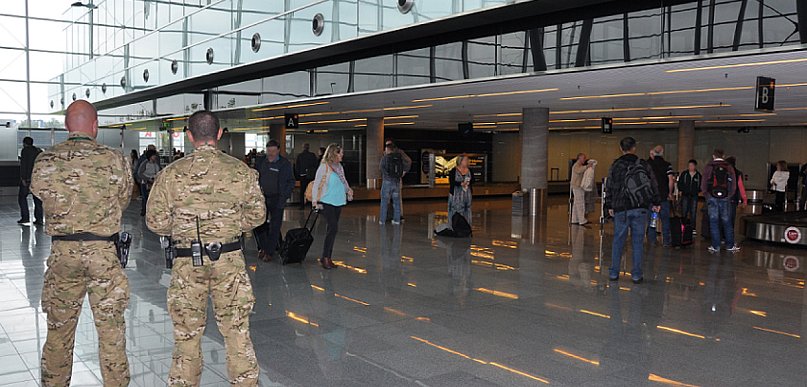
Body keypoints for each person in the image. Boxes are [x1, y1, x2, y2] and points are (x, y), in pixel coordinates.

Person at [146, 110, 265, 386]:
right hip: (229, 260)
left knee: (187, 335)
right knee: (236, 332)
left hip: (188, 262)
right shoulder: (240, 171)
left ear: (189, 136)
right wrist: (232, 227)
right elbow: (258, 215)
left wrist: (182, 231)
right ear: (219, 134)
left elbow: (155, 221)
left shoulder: (171, 174)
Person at [30, 100, 133, 387]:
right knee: (111, 331)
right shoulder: (116, 158)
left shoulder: (46, 160)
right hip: (103, 252)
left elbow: (40, 194)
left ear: (66, 126)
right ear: (95, 126)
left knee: (59, 331)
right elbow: (124, 199)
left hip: (63, 254)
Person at [605, 137, 661, 284]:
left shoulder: (616, 165)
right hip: (640, 207)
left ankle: (614, 272)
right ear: (634, 148)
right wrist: (656, 202)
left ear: (621, 148)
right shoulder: (642, 163)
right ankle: (636, 274)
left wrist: (609, 205)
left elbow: (609, 186)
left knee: (618, 240)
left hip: (621, 209)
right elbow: (653, 183)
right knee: (637, 242)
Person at [311, 143, 353, 270]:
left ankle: (327, 256)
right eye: (340, 153)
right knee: (333, 228)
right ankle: (325, 257)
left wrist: (348, 190)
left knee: (332, 229)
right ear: (334, 153)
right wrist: (314, 201)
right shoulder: (324, 167)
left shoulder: (339, 167)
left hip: (338, 201)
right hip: (326, 201)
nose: (342, 155)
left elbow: (343, 180)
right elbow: (317, 184)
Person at [255, 140, 295, 262]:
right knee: (259, 224)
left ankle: (269, 251)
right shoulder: (262, 162)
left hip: (278, 198)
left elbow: (291, 181)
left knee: (275, 226)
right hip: (263, 198)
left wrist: (284, 197)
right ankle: (264, 247)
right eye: (269, 151)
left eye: (273, 151)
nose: (271, 153)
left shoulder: (284, 164)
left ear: (278, 150)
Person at [702, 149, 740, 253]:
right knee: (727, 222)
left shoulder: (709, 166)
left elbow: (704, 182)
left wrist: (707, 195)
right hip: (725, 197)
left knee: (714, 221)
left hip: (712, 197)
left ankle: (715, 246)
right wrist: (729, 195)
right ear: (723, 156)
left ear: (713, 156)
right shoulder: (729, 167)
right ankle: (730, 245)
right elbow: (734, 185)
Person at [646, 145, 675, 247]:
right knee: (665, 220)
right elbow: (671, 180)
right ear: (662, 153)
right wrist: (670, 193)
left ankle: (652, 241)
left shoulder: (648, 165)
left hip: (652, 198)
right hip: (663, 198)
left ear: (653, 153)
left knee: (652, 220)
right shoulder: (667, 165)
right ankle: (666, 241)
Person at [383, 139, 412, 221]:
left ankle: (397, 215)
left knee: (395, 197)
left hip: (394, 179)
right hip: (390, 178)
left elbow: (408, 161)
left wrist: (403, 172)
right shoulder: (387, 153)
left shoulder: (399, 153)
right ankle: (391, 215)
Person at [18, 136, 43, 225]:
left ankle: (25, 217)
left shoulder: (25, 151)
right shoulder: (39, 151)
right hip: (38, 178)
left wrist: (23, 178)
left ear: (24, 143)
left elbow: (24, 165)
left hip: (28, 178)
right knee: (37, 199)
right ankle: (39, 218)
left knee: (22, 197)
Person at [380, 143, 404, 225]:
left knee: (384, 201)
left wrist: (386, 176)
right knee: (396, 202)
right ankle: (397, 220)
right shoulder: (399, 157)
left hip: (387, 182)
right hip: (396, 182)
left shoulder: (385, 158)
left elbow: (381, 168)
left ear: (388, 149)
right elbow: (401, 169)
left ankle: (382, 220)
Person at [448, 155, 474, 228]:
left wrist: (468, 182)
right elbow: (451, 182)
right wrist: (460, 183)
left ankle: (466, 226)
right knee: (455, 209)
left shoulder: (469, 170)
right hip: (456, 194)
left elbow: (473, 180)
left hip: (466, 194)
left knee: (467, 210)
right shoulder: (453, 171)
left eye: (467, 160)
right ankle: (454, 226)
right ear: (460, 161)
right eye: (465, 160)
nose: (467, 162)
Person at [677, 159, 701, 234]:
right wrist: (681, 190)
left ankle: (693, 228)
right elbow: (680, 183)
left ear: (695, 166)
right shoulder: (685, 174)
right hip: (685, 195)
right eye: (689, 165)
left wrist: (697, 191)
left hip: (694, 196)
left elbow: (700, 185)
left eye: (692, 165)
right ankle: (683, 227)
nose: (690, 167)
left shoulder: (698, 175)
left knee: (693, 212)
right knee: (684, 212)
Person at [136, 149, 161, 216]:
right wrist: (148, 178)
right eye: (154, 155)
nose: (155, 157)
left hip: (154, 182)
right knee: (145, 197)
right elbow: (140, 173)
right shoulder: (145, 163)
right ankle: (144, 211)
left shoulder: (156, 163)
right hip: (145, 183)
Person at [295, 143, 319, 210]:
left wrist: (298, 174)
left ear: (303, 147)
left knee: (302, 191)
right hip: (311, 176)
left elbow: (297, 166)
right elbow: (316, 165)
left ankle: (302, 205)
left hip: (303, 175)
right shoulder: (312, 155)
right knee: (312, 190)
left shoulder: (300, 156)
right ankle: (313, 205)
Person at [726, 157, 748, 227]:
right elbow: (741, 187)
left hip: (724, 198)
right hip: (733, 199)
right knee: (731, 218)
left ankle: (723, 235)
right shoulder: (738, 173)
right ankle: (729, 235)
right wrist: (744, 200)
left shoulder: (724, 172)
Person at [570, 153, 589, 225]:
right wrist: (587, 167)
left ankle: (574, 219)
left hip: (576, 186)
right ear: (579, 158)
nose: (585, 159)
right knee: (580, 203)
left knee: (576, 204)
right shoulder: (576, 165)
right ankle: (582, 220)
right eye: (583, 158)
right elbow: (579, 170)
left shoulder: (579, 165)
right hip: (577, 187)